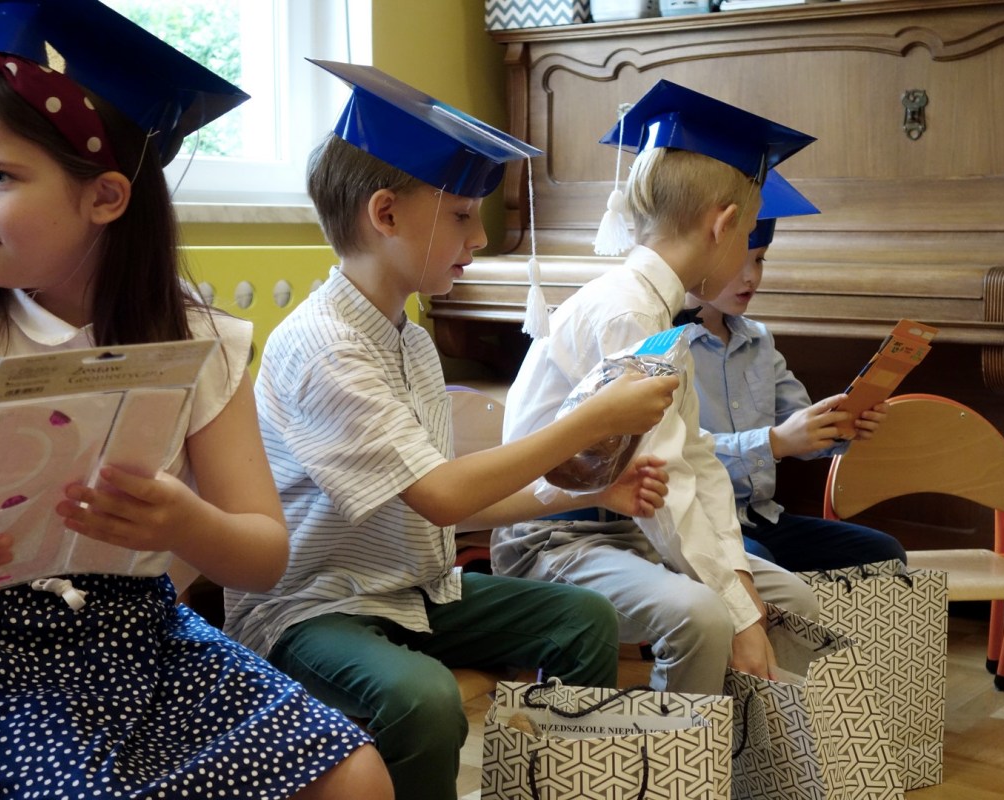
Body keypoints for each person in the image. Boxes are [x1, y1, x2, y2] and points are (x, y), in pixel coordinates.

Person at [221, 61, 678, 800]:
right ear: (386, 215)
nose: (481, 235)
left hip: (413, 591)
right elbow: (441, 494)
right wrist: (589, 421)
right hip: (314, 609)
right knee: (423, 698)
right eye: (463, 216)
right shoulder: (325, 347)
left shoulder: (408, 339)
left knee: (584, 620)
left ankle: (564, 789)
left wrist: (591, 494)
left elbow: (452, 501)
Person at [0, 2, 391, 799]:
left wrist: (186, 524)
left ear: (106, 197)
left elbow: (263, 554)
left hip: (142, 636)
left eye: (0, 178)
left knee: (355, 775)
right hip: (9, 660)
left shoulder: (200, 346)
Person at [491, 79, 825, 696]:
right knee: (701, 616)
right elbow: (666, 490)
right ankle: (678, 753)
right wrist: (738, 610)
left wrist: (742, 585)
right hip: (558, 537)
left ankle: (747, 748)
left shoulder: (660, 312)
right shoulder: (630, 315)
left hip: (628, 528)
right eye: (750, 233)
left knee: (793, 601)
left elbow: (696, 461)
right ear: (725, 224)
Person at [685, 172, 907, 569]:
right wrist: (774, 442)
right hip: (694, 522)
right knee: (759, 564)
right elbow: (678, 454)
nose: (751, 276)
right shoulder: (662, 345)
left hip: (760, 517)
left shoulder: (758, 340)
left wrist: (842, 423)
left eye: (760, 259)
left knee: (884, 555)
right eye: (739, 260)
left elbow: (798, 425)